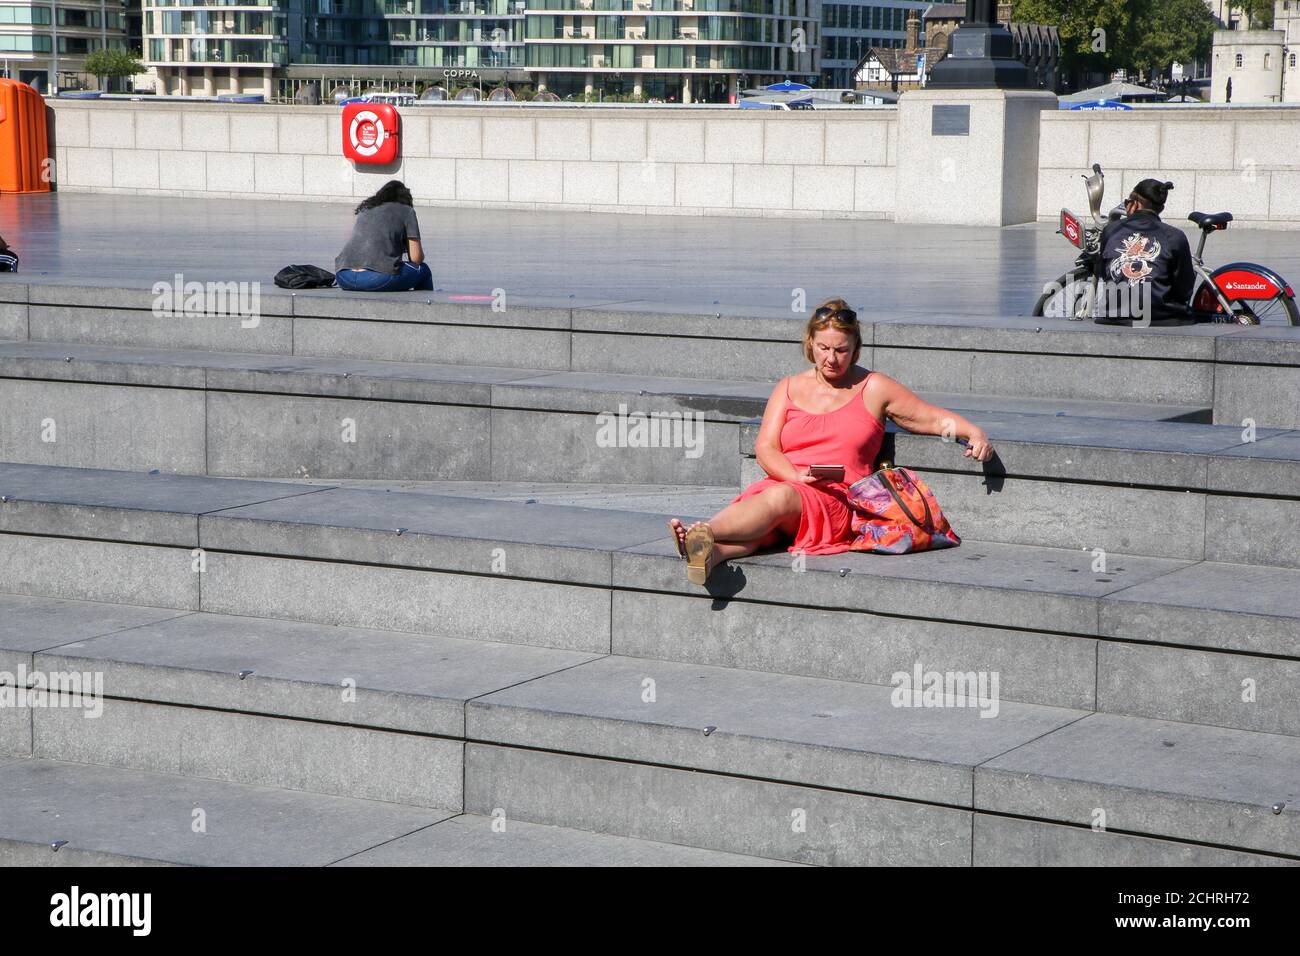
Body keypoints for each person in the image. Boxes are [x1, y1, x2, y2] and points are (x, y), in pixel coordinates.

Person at [667, 300, 995, 585]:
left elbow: (929, 417)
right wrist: (796, 477)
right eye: (824, 348)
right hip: (786, 485)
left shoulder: (873, 387)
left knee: (777, 500)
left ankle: (704, 533)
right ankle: (713, 554)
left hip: (837, 501)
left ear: (855, 350)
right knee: (770, 512)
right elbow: (766, 449)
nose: (831, 358)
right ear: (810, 344)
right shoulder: (788, 387)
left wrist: (974, 432)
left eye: (841, 350)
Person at [1094, 178, 1195, 325]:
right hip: (1161, 318)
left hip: (1115, 316)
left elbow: (1105, 272)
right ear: (1161, 208)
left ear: (1134, 203)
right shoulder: (1174, 236)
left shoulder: (1111, 229)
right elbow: (1184, 288)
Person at [334, 180, 433, 292]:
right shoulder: (407, 211)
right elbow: (416, 259)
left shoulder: (366, 209)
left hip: (343, 276)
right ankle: (423, 309)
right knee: (423, 270)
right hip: (375, 279)